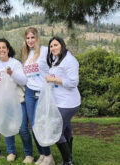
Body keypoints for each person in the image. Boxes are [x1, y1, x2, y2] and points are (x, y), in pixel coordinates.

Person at [22, 27, 55, 165]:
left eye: (32, 37)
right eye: (28, 38)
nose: (30, 40)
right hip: (29, 93)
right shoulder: (27, 54)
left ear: (37, 38)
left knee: (38, 125)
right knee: (33, 126)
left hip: (42, 93)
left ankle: (49, 156)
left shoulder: (45, 51)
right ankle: (42, 154)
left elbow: (55, 67)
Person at [0, 38, 27, 162]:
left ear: (8, 49)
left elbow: (23, 81)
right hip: (3, 101)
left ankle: (28, 154)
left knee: (22, 129)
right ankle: (11, 152)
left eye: (3, 47)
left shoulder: (15, 63)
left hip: (17, 100)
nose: (1, 50)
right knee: (6, 126)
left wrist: (12, 73)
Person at [46, 36, 80, 165]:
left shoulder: (69, 60)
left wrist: (53, 79)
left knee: (55, 131)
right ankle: (69, 159)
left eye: (56, 45)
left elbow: (73, 82)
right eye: (51, 46)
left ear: (62, 45)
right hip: (60, 102)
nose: (53, 48)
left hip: (68, 103)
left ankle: (67, 161)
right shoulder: (57, 59)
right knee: (65, 130)